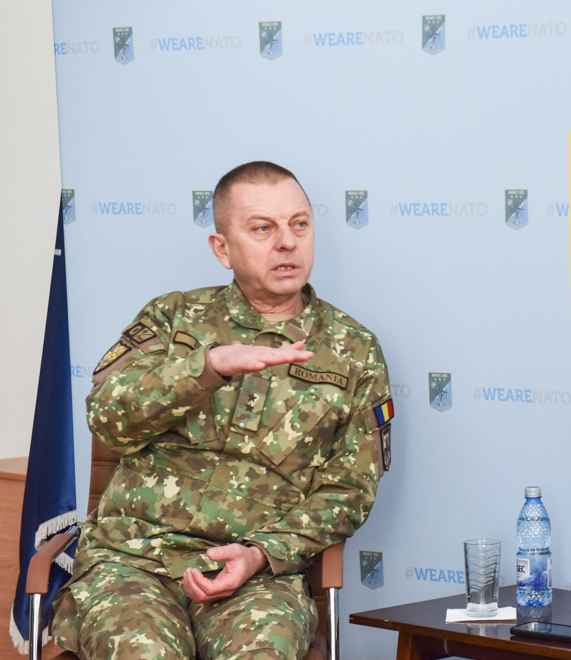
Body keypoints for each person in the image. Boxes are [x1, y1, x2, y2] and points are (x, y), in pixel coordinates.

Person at [51, 161, 394, 660]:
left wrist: (260, 554)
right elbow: (106, 416)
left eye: (299, 224)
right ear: (222, 249)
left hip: (257, 577)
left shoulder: (355, 350)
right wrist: (205, 368)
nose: (287, 243)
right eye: (263, 228)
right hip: (133, 562)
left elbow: (350, 490)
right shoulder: (172, 318)